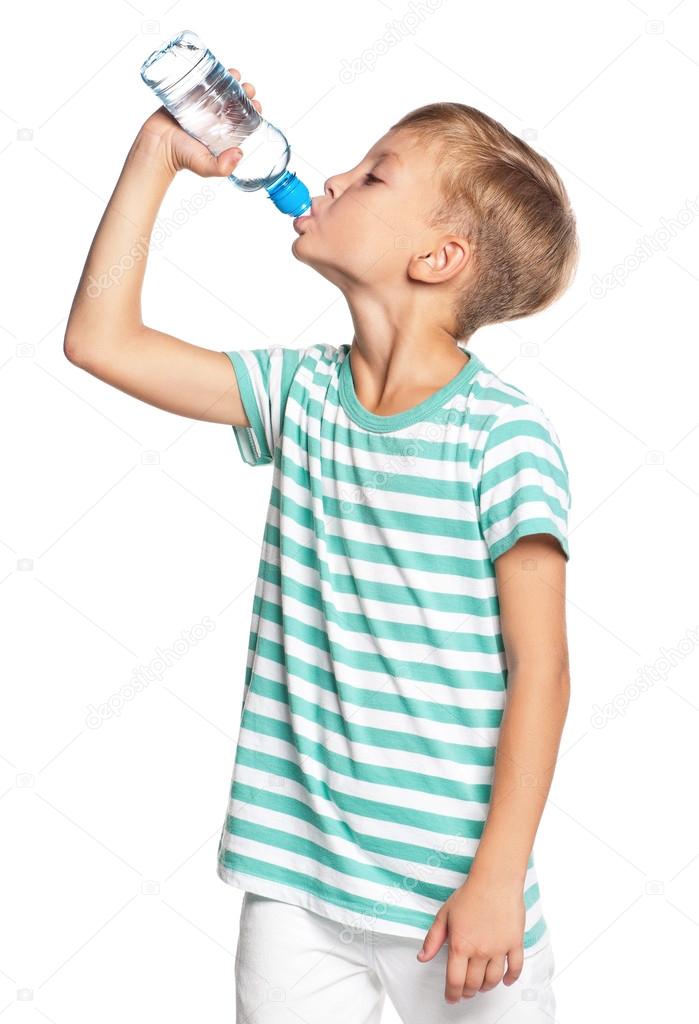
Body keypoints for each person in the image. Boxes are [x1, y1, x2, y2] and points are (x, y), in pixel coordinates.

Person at [64, 69, 578, 1022]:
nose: (331, 179)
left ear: (438, 258)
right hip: (296, 887)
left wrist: (497, 882)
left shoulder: (500, 436)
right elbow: (102, 340)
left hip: (457, 902)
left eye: (374, 176)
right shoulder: (300, 395)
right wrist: (154, 160)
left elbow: (540, 669)